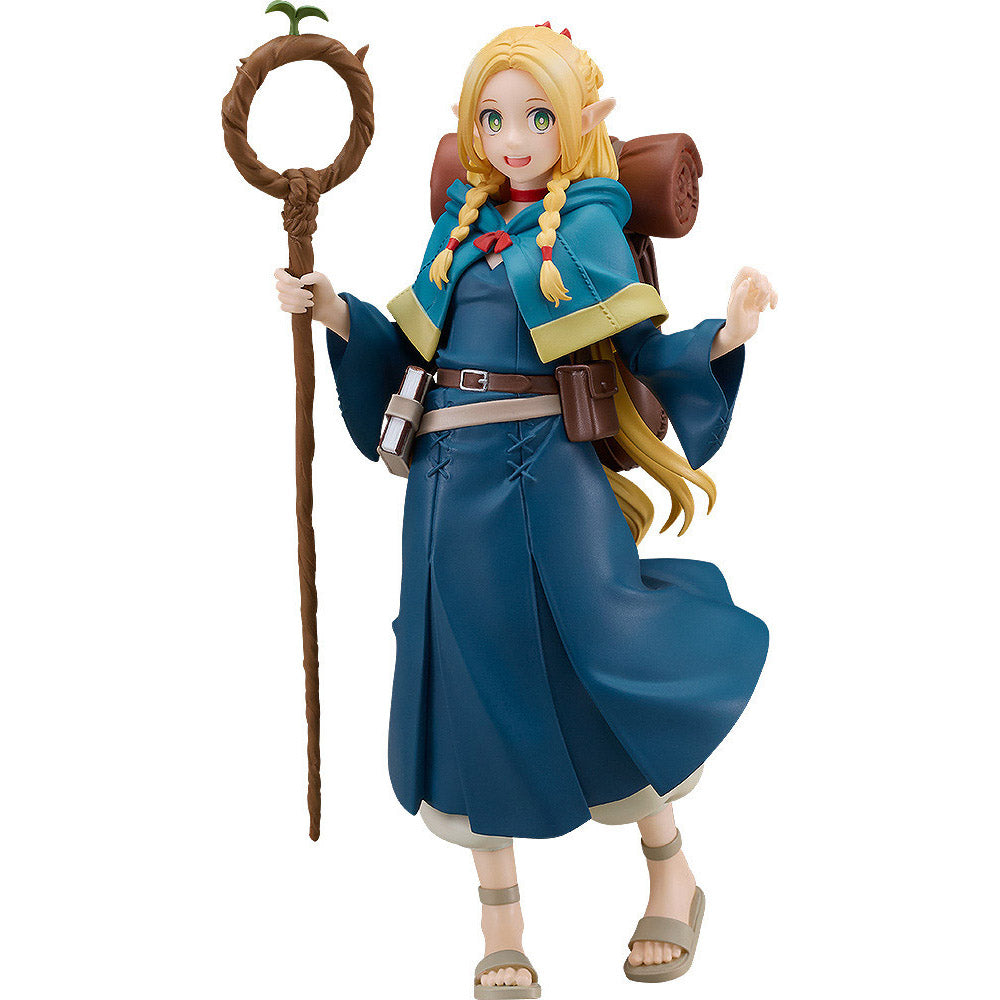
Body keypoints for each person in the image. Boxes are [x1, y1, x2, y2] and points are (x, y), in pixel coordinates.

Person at [274, 23, 777, 996]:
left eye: (538, 118)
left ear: (583, 122)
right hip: (448, 486)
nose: (513, 139)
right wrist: (335, 311)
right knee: (464, 678)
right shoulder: (458, 229)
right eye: (493, 119)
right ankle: (499, 923)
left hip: (552, 477)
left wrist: (723, 336)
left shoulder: (585, 228)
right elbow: (407, 349)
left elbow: (642, 351)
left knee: (600, 657)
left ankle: (671, 872)